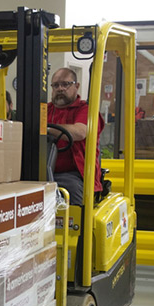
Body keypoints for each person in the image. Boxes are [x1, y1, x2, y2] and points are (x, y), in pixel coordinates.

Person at [47, 68, 105, 205]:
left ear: (76, 86)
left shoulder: (86, 110)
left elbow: (80, 132)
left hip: (74, 174)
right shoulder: (44, 110)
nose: (60, 89)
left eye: (65, 84)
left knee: (69, 189)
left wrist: (47, 129)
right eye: (56, 85)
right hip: (42, 171)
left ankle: (79, 224)